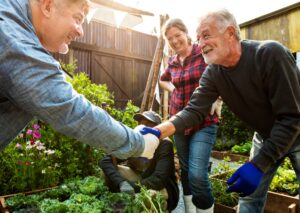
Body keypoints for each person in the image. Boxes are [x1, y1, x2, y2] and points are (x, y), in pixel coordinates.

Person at [144, 9, 300, 213]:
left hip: (297, 133)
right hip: (265, 137)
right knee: (249, 200)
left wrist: (258, 164)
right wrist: (158, 131)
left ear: (230, 33)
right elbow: (193, 110)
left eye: (206, 35)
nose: (200, 44)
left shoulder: (270, 54)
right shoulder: (213, 72)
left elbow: (292, 119)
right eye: (199, 38)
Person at [0, 0, 160, 160]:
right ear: (48, 5)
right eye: (78, 18)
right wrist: (139, 143)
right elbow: (68, 108)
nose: (81, 31)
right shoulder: (13, 40)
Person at [159, 18, 222, 213]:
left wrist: (218, 97)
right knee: (185, 171)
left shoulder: (202, 53)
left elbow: (223, 73)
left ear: (186, 34)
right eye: (170, 39)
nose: (175, 41)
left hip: (204, 121)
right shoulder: (172, 61)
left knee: (197, 174)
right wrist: (174, 89)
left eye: (177, 35)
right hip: (178, 120)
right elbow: (163, 80)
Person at [100, 111, 179, 212]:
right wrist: (121, 183)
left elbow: (158, 180)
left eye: (147, 124)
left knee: (149, 196)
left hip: (162, 187)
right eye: (140, 123)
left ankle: (162, 208)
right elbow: (106, 161)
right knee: (104, 172)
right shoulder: (136, 141)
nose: (142, 127)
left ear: (157, 127)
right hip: (141, 179)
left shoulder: (165, 144)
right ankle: (120, 204)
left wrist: (132, 186)